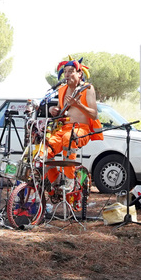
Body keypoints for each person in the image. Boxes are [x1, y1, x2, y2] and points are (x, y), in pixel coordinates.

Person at [43, 58, 104, 188]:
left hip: (81, 129)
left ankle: (69, 180)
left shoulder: (87, 88)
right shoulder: (61, 90)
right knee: (45, 149)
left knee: (68, 138)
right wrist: (53, 110)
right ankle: (55, 180)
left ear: (79, 74)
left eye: (71, 71)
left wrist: (79, 105)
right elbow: (62, 111)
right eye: (65, 72)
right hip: (63, 128)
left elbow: (94, 114)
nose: (67, 75)